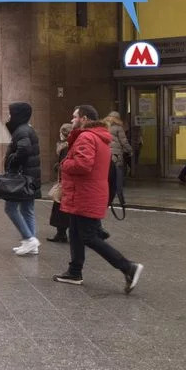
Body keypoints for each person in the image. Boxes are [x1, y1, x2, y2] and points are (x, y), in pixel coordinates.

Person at [53, 105, 144, 293]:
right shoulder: (99, 136)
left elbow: (83, 165)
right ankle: (74, 271)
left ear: (84, 119)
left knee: (89, 236)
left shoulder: (87, 137)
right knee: (76, 233)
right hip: (85, 193)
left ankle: (128, 267)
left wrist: (64, 164)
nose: (72, 120)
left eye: (74, 117)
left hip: (85, 194)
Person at [3, 102, 42, 256]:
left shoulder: (21, 131)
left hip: (21, 178)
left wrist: (12, 161)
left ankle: (29, 239)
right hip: (30, 176)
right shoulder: (28, 129)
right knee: (27, 209)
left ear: (17, 114)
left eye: (11, 113)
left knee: (10, 208)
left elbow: (23, 150)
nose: (9, 116)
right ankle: (31, 243)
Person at [47, 123, 73, 243]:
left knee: (60, 208)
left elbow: (65, 165)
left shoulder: (65, 148)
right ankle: (61, 233)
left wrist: (58, 167)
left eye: (60, 132)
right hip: (65, 182)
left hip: (64, 183)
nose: (59, 135)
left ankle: (61, 233)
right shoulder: (66, 146)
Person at [104, 111, 132, 206]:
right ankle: (121, 200)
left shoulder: (104, 127)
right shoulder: (118, 128)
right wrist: (130, 150)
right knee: (118, 178)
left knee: (107, 178)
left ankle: (106, 200)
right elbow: (124, 141)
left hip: (106, 156)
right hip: (116, 157)